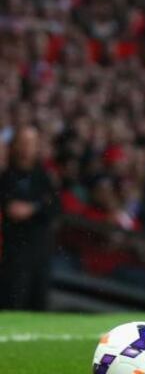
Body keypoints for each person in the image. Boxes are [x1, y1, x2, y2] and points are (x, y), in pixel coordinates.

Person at [0, 126, 60, 310]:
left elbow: (55, 207)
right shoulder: (5, 176)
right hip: (13, 250)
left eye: (32, 143)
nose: (27, 148)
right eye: (23, 142)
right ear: (15, 145)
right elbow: (13, 209)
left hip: (40, 249)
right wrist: (40, 205)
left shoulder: (43, 177)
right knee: (12, 301)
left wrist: (33, 208)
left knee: (38, 301)